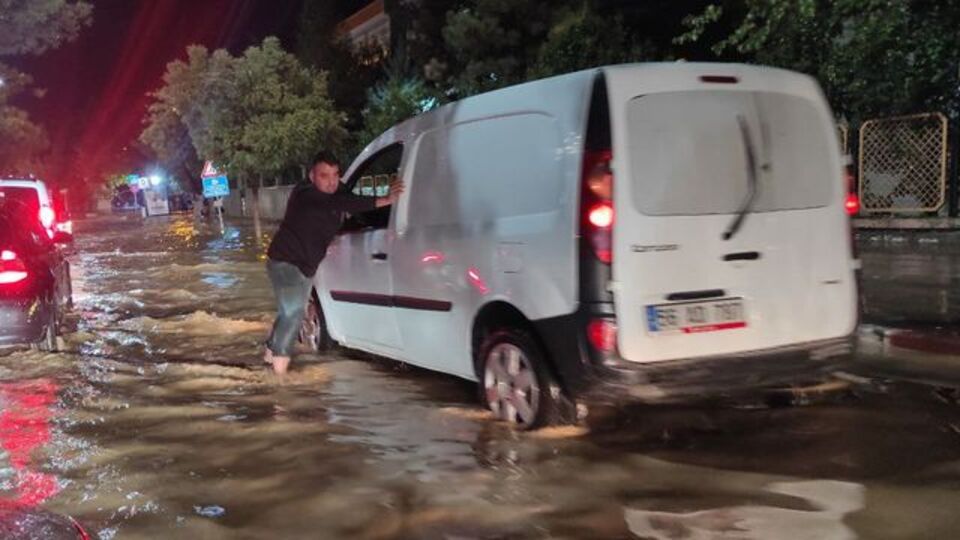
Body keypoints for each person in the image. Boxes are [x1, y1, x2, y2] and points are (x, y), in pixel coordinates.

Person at [263, 151, 403, 374]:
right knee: (295, 312)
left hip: (306, 266)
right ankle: (279, 378)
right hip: (284, 262)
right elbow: (342, 202)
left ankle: (269, 355)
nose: (330, 182)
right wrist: (386, 199)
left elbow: (353, 204)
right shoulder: (305, 194)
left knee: (289, 311)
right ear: (312, 176)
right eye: (323, 176)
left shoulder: (337, 191)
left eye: (335, 175)